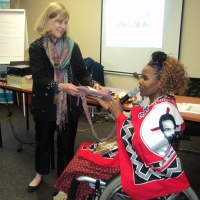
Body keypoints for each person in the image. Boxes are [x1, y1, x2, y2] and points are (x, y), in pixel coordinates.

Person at [53, 51, 191, 200]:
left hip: (137, 164)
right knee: (86, 152)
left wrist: (119, 115)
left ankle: (72, 192)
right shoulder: (162, 103)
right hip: (134, 154)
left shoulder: (161, 110)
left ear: (161, 82)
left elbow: (139, 140)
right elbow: (135, 124)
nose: (140, 81)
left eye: (145, 78)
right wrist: (104, 102)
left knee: (80, 162)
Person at [27, 2, 103, 193]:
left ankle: (64, 179)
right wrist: (59, 86)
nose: (62, 25)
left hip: (68, 106)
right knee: (43, 140)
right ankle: (39, 174)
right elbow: (39, 77)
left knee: (66, 144)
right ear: (48, 21)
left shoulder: (72, 45)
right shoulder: (36, 47)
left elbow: (82, 72)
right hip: (45, 104)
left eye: (65, 22)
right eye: (58, 21)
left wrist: (93, 83)